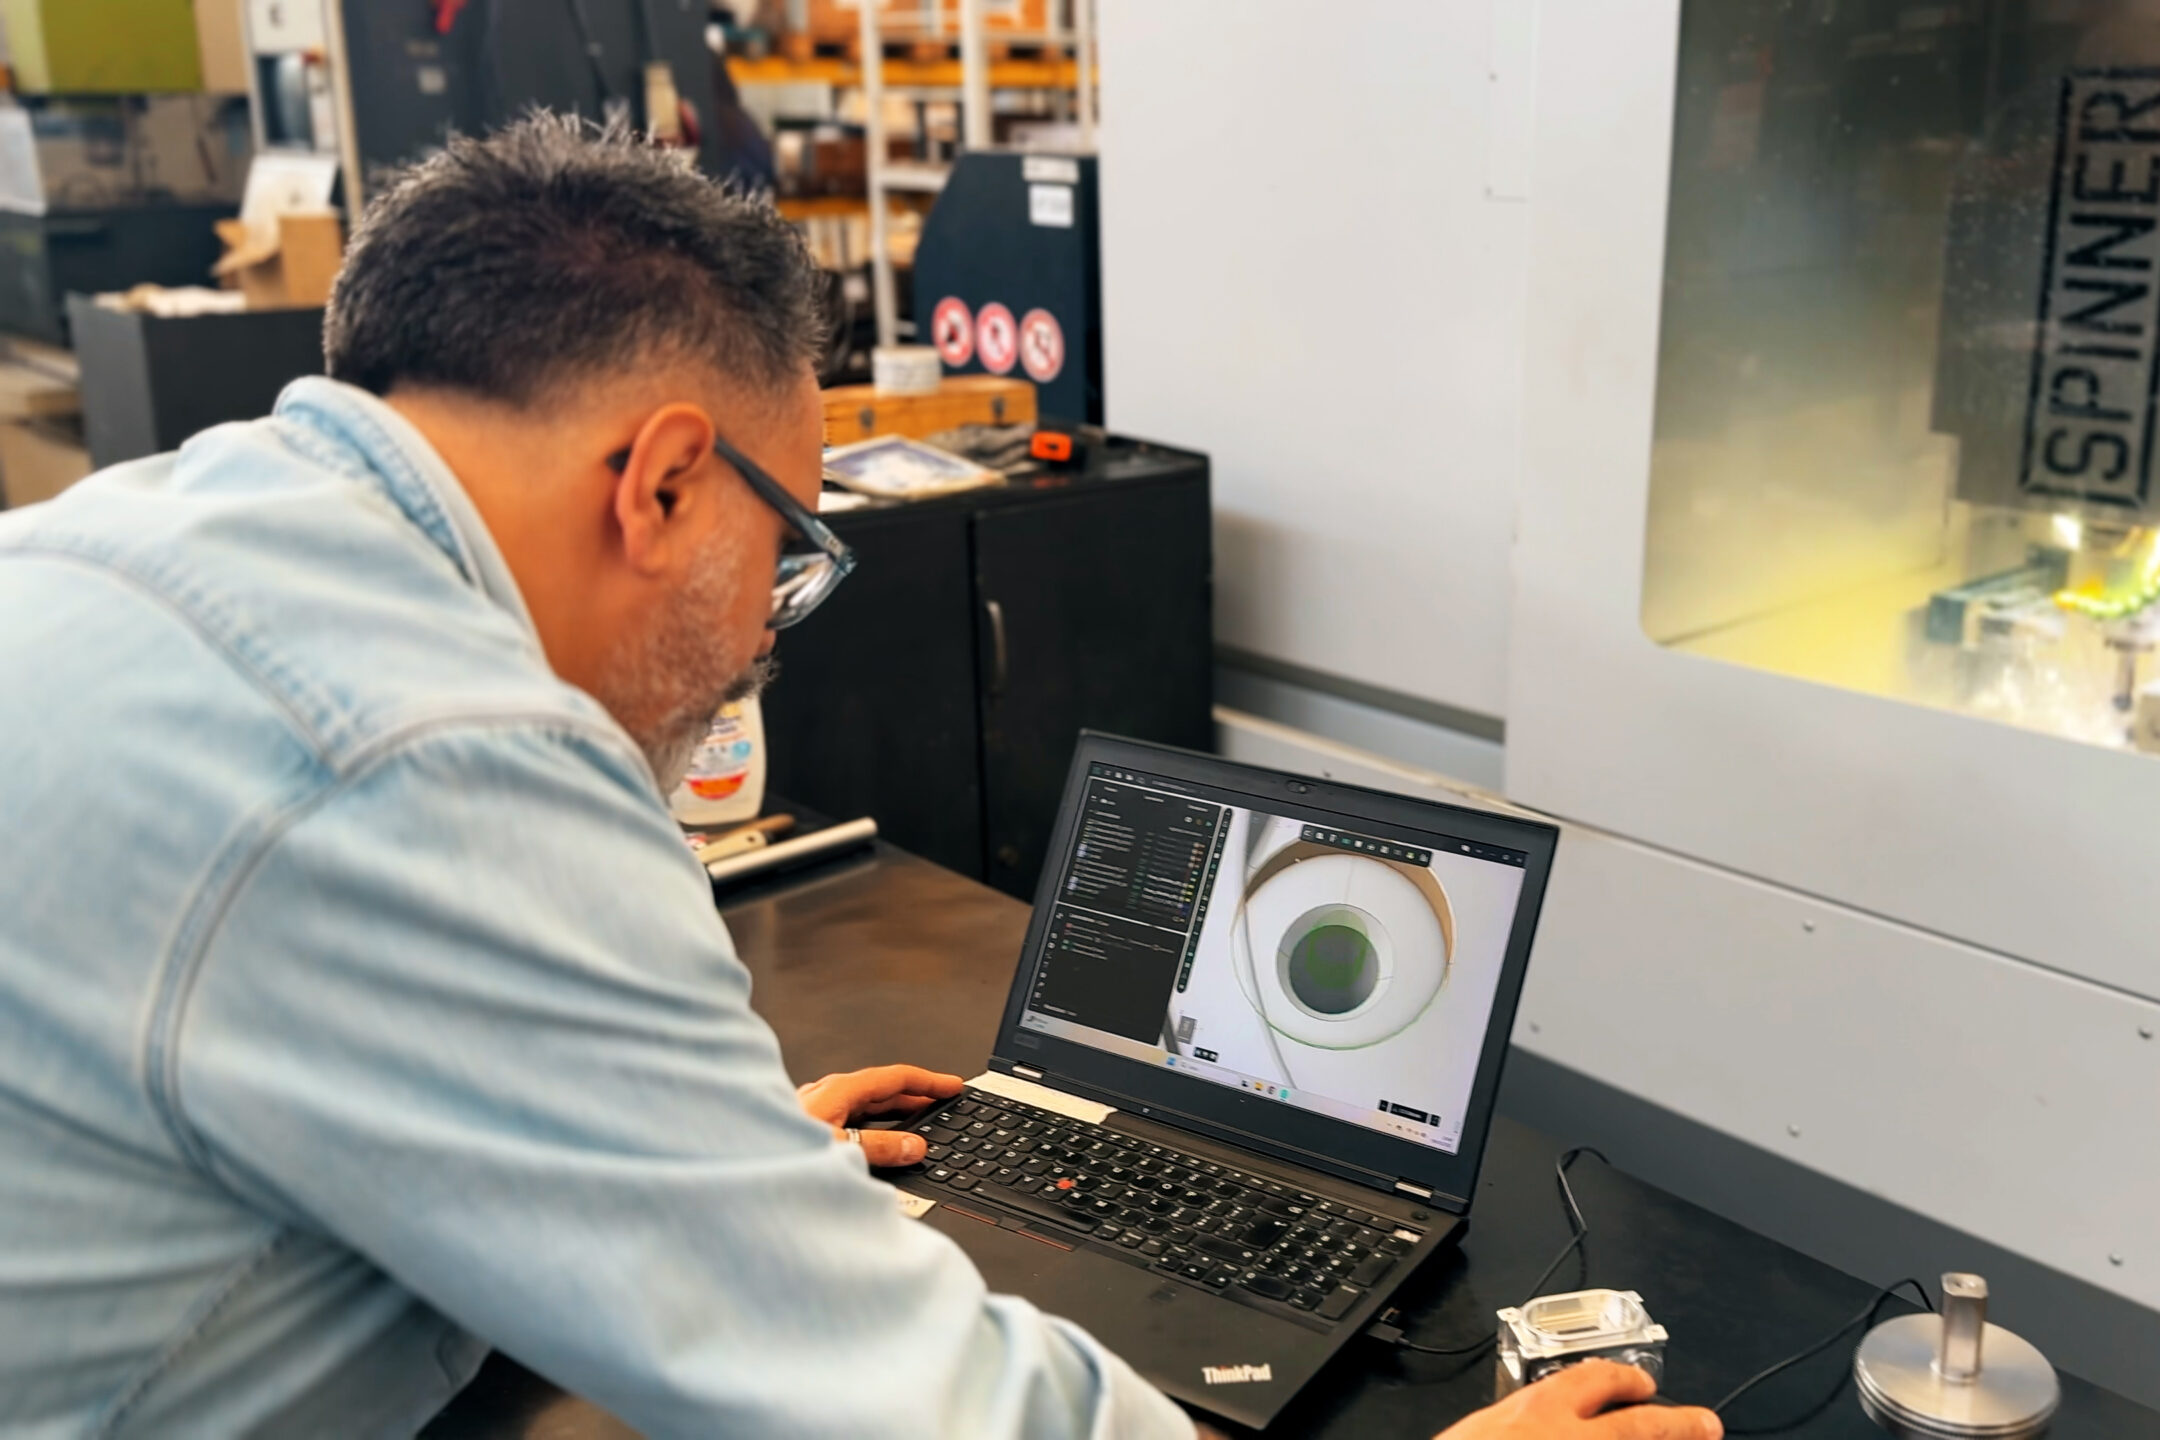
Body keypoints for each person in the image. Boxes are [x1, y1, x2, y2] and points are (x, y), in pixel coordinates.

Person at [0, 114, 1717, 1440]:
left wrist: (680, 1167)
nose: (769, 630)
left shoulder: (146, 530)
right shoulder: (437, 756)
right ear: (664, 483)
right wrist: (728, 1226)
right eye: (788, 549)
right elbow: (916, 1407)